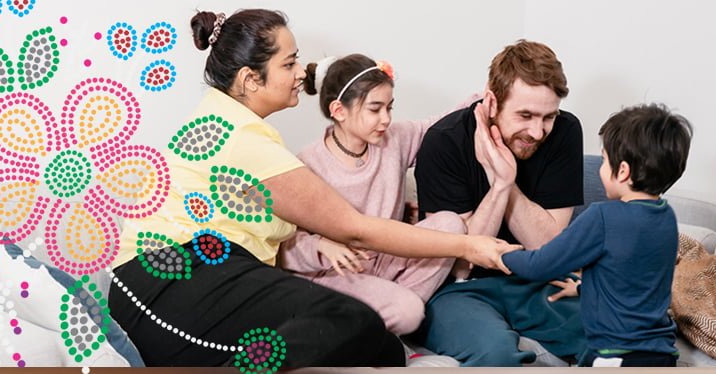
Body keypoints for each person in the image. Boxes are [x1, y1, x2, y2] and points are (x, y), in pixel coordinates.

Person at [108, 9, 520, 367]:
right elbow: (353, 227)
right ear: (251, 79)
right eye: (289, 64)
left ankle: (387, 353)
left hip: (186, 282)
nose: (300, 74)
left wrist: (484, 102)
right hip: (168, 284)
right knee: (351, 321)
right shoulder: (240, 136)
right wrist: (469, 246)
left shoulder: (229, 124)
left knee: (359, 330)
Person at [413, 40, 586, 366]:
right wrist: (499, 186)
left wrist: (509, 183)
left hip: (539, 279)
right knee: (495, 355)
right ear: (491, 102)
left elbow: (548, 247)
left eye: (548, 116)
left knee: (622, 333)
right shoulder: (444, 141)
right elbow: (460, 264)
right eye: (525, 115)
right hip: (460, 290)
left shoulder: (564, 131)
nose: (537, 131)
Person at [279, 54, 473, 336]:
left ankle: (385, 328)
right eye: (375, 109)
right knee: (407, 310)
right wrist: (321, 245)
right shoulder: (308, 164)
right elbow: (283, 245)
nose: (386, 119)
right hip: (337, 275)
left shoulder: (394, 139)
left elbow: (443, 125)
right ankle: (392, 322)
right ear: (339, 110)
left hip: (387, 258)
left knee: (451, 225)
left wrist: (487, 97)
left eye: (389, 108)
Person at [502, 103, 693, 367]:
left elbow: (540, 265)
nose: (600, 169)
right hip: (661, 354)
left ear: (623, 171)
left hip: (613, 356)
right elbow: (634, 278)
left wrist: (500, 253)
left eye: (604, 161)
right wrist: (583, 287)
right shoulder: (666, 217)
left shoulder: (603, 217)